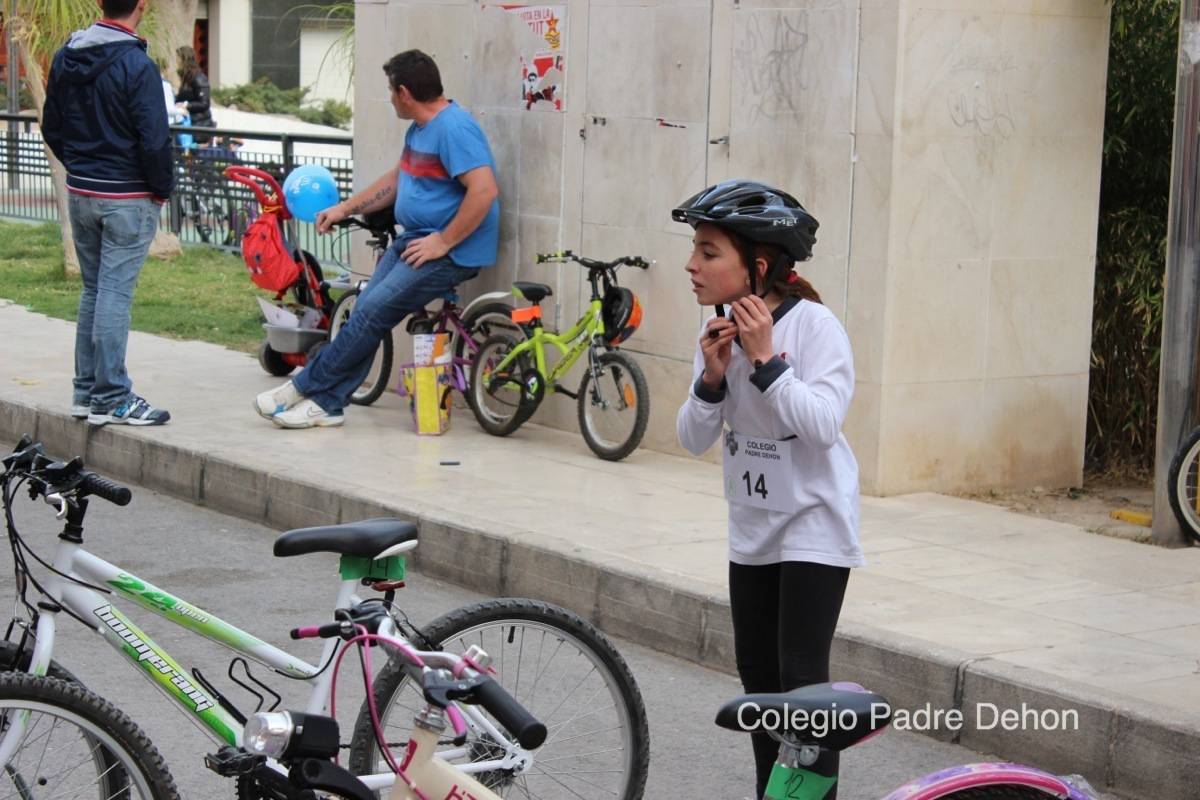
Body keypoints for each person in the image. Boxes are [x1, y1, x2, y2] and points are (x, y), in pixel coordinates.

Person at [673, 180, 865, 800]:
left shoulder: (815, 326)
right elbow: (691, 437)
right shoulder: (719, 331)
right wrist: (711, 377)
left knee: (802, 686)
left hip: (814, 523)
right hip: (753, 525)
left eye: (708, 252)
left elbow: (822, 425)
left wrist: (767, 360)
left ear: (757, 266)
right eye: (694, 250)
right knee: (760, 687)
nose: (691, 265)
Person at [254, 49, 500, 429]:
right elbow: (398, 179)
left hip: (450, 252)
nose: (389, 99)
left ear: (404, 92)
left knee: (370, 314)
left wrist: (444, 242)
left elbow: (483, 191)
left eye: (390, 91)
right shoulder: (420, 129)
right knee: (365, 314)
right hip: (415, 242)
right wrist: (346, 208)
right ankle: (326, 402)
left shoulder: (455, 129)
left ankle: (306, 389)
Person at [41, 0, 174, 426]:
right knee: (113, 294)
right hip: (127, 197)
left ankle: (86, 394)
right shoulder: (138, 65)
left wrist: (80, 166)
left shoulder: (67, 55)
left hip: (82, 191)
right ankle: (113, 396)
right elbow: (154, 140)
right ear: (142, 6)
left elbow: (51, 126)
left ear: (100, 3)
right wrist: (160, 189)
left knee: (94, 292)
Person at [174, 45, 213, 143]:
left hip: (199, 127)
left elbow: (204, 103)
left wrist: (186, 105)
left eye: (178, 58)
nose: (176, 62)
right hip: (190, 126)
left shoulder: (198, 78)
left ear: (184, 59)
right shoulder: (187, 78)